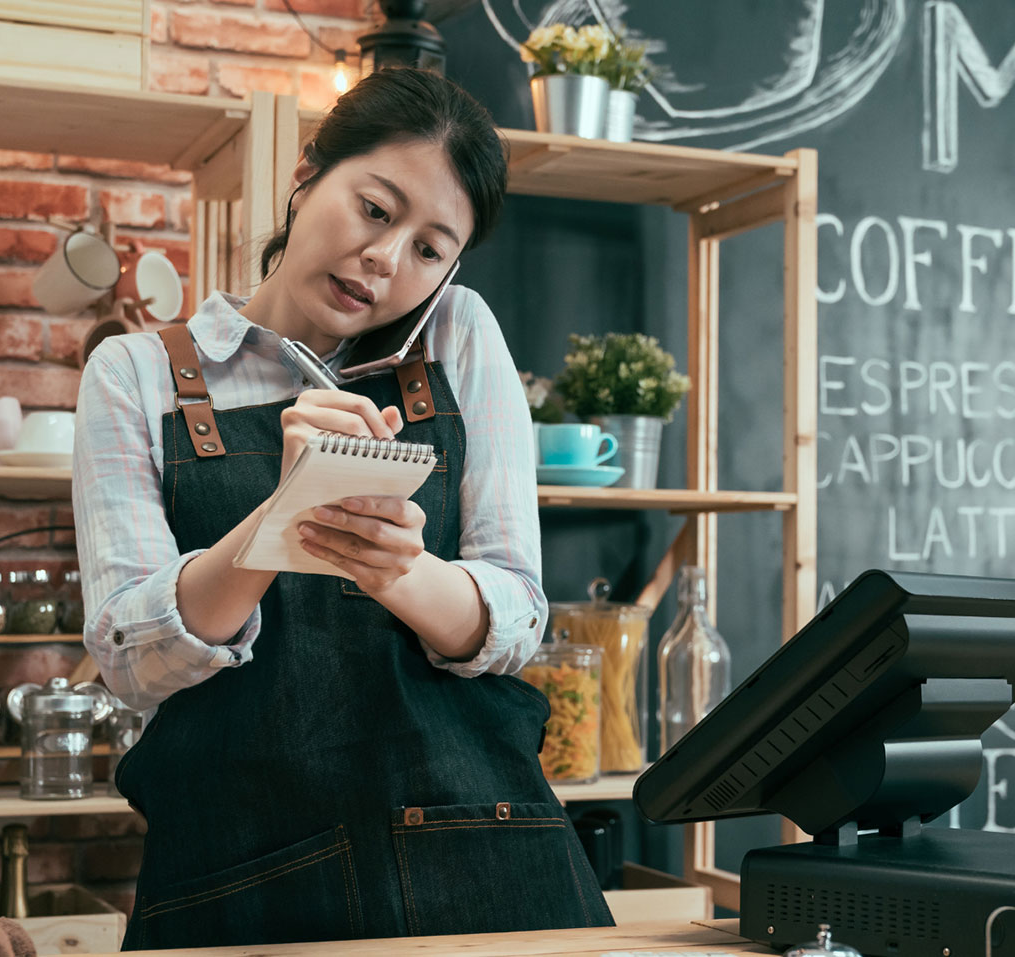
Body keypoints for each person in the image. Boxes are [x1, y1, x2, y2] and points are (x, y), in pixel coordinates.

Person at [71, 68, 613, 949]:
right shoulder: (135, 373)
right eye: (375, 209)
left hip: (481, 856)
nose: (388, 260)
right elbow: (131, 657)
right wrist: (278, 518)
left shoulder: (457, 335)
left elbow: (516, 616)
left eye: (431, 248)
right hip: (241, 874)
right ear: (306, 173)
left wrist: (401, 568)